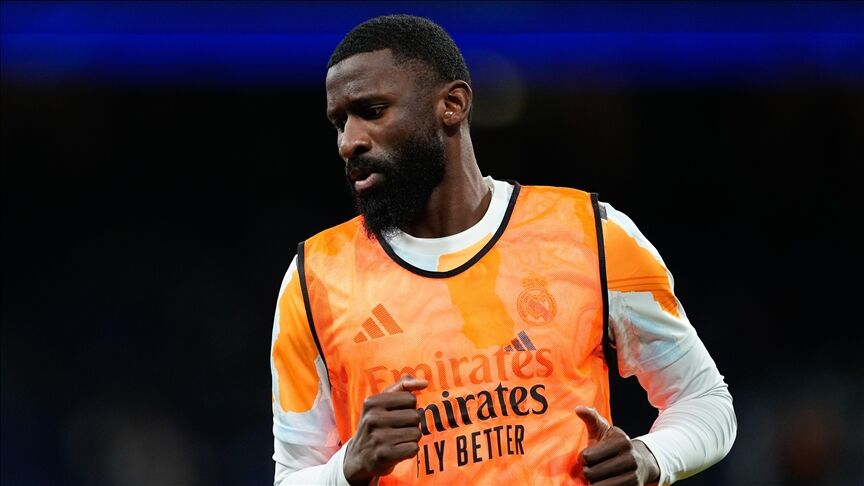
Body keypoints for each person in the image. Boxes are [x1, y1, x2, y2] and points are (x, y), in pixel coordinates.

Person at [269, 14, 736, 486]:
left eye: (372, 111)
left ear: (452, 105)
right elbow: (291, 476)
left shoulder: (589, 235)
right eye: (339, 123)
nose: (348, 142)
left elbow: (706, 400)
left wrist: (651, 457)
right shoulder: (316, 278)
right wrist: (348, 467)